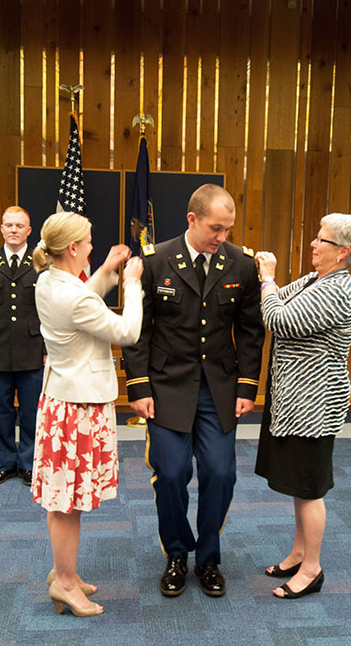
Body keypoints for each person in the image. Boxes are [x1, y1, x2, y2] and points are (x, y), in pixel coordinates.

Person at [122, 184, 264, 597]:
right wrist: (138, 385)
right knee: (171, 474)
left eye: (228, 230)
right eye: (215, 228)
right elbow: (138, 330)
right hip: (166, 387)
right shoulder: (155, 260)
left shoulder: (241, 264)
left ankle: (208, 559)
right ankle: (178, 553)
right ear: (192, 219)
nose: (222, 237)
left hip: (219, 388)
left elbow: (251, 332)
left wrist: (247, 386)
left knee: (221, 474)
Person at [31, 211, 143, 617]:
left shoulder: (50, 279)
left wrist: (107, 271)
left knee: (66, 500)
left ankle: (67, 573)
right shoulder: (69, 293)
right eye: (90, 242)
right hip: (76, 409)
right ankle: (63, 583)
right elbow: (127, 332)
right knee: (66, 504)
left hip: (65, 401)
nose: (95, 246)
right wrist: (131, 284)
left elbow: (82, 302)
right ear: (73, 248)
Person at [255, 212, 351, 599]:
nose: (312, 244)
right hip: (294, 400)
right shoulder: (317, 280)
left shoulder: (337, 290)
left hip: (313, 405)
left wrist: (268, 278)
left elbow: (278, 318)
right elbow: (276, 300)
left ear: (342, 252)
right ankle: (298, 553)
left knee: (310, 488)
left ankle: (312, 568)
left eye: (321, 240)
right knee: (300, 486)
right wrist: (268, 282)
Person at [0, 206, 45, 487]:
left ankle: (28, 464)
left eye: (19, 225)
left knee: (30, 411)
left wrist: (48, 348)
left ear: (29, 230)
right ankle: (4, 464)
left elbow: (47, 310)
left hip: (32, 348)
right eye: (9, 225)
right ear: (1, 229)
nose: (13, 230)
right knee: (1, 411)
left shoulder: (42, 264)